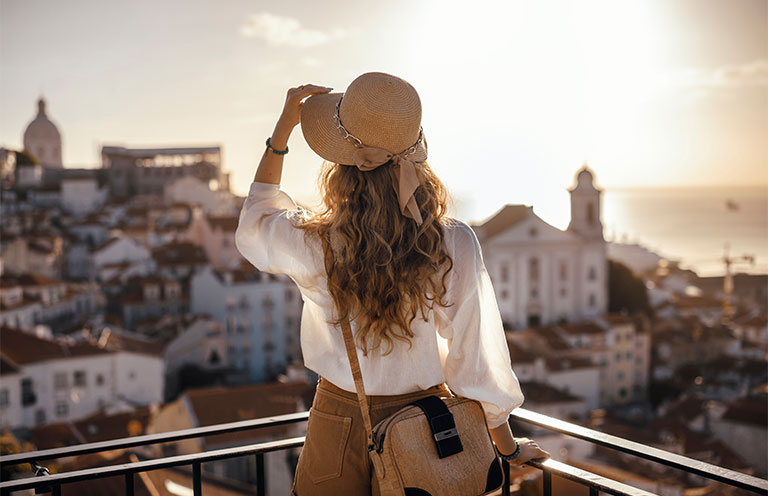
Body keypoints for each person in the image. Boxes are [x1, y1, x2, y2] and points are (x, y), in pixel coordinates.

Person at [235, 72, 550, 496]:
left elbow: (255, 222)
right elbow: (474, 356)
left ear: (341, 167)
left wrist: (282, 130)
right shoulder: (452, 241)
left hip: (338, 421)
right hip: (427, 426)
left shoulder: (315, 241)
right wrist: (506, 447)